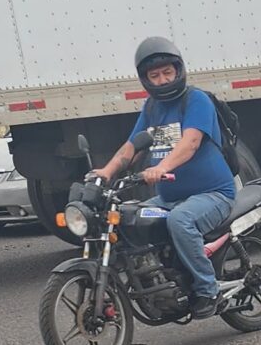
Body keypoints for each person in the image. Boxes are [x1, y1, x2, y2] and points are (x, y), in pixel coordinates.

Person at [91, 35, 236, 319]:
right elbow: (133, 146)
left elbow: (190, 143)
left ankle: (209, 289)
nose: (162, 80)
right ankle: (157, 279)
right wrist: (106, 172)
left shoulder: (196, 100)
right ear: (145, 79)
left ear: (178, 70)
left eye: (167, 72)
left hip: (214, 194)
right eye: (154, 75)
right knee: (128, 218)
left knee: (180, 221)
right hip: (171, 197)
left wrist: (163, 167)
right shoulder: (151, 108)